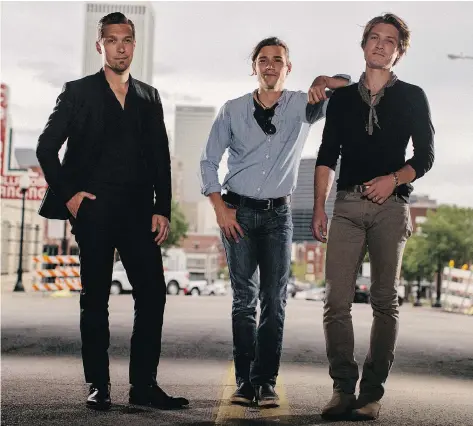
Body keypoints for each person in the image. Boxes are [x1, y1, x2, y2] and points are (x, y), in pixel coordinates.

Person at [36, 12, 189, 411]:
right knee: (95, 299)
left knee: (153, 295)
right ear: (100, 45)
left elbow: (161, 159)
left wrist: (162, 209)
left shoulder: (149, 97)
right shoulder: (78, 92)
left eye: (128, 40)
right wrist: (69, 197)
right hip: (95, 210)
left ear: (134, 45)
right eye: (113, 39)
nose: (121, 46)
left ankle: (143, 386)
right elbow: (45, 148)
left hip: (139, 213)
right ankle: (98, 385)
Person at [200, 36, 349, 408]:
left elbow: (353, 88)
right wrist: (219, 208)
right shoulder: (232, 109)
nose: (270, 66)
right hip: (237, 212)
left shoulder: (305, 104)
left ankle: (265, 382)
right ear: (255, 67)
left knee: (274, 300)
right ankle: (244, 383)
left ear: (288, 67)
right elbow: (208, 161)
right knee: (244, 301)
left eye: (277, 60)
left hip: (278, 215)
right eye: (263, 60)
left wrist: (324, 80)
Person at [312, 13, 434, 421]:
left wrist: (393, 180)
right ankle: (342, 389)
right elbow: (328, 154)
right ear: (364, 44)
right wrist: (319, 207)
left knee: (385, 302)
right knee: (335, 302)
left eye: (390, 41)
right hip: (345, 205)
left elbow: (425, 156)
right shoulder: (343, 99)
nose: (381, 45)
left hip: (392, 207)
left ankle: (371, 395)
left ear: (399, 51)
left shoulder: (413, 95)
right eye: (375, 38)